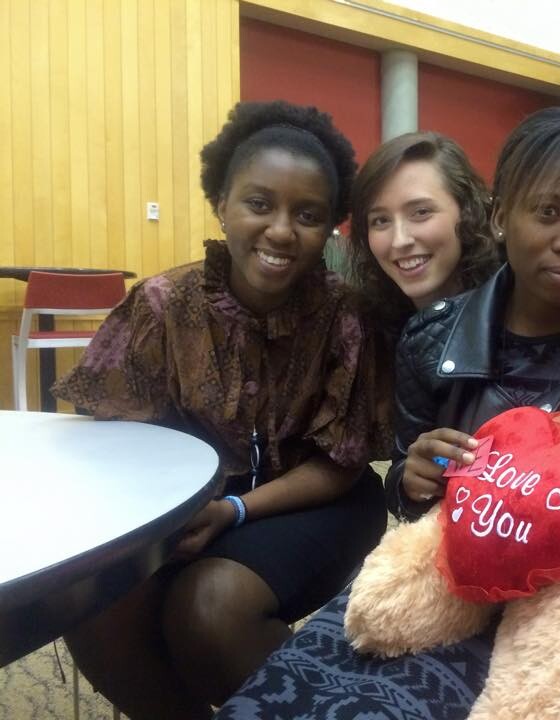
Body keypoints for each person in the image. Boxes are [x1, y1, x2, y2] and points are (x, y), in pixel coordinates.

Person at [216, 106, 560, 719]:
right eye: (548, 212)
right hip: (455, 576)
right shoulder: (430, 339)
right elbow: (410, 496)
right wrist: (414, 479)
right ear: (500, 216)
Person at [51, 100, 391, 719]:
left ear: (332, 225)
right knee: (93, 603)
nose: (282, 230)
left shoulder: (347, 316)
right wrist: (170, 519)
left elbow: (340, 464)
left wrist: (233, 509)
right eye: (259, 204)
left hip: (318, 502)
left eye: (308, 214)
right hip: (183, 508)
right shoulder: (160, 307)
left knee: (208, 610)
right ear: (222, 203)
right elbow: (113, 447)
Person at [347, 130, 501, 339]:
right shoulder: (365, 332)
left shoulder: (512, 322)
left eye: (421, 212)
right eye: (381, 220)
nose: (399, 240)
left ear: (468, 211)